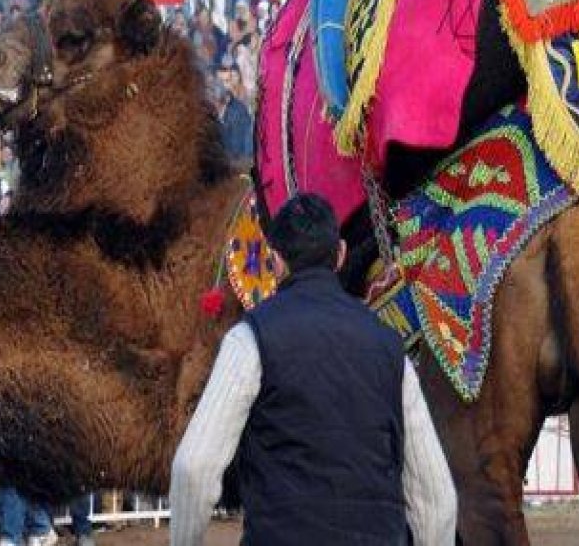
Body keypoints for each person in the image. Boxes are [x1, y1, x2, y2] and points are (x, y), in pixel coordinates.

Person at [169, 194, 456, 545]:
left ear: (275, 261)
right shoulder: (390, 347)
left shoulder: (250, 338)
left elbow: (194, 468)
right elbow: (437, 501)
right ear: (341, 254)